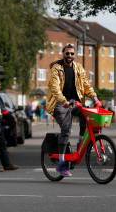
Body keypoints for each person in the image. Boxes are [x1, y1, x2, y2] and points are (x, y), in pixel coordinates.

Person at [47, 44, 101, 177]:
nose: (69, 56)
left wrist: (95, 98)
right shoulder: (56, 68)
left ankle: (80, 145)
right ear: (63, 54)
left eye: (72, 54)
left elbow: (86, 85)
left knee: (87, 116)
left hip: (75, 103)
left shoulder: (78, 68)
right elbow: (54, 87)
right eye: (67, 53)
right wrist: (64, 101)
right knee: (66, 130)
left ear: (74, 55)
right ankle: (61, 164)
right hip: (60, 104)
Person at [0, 77, 19, 171]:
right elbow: (0, 109)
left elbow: (2, 109)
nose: (0, 85)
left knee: (0, 144)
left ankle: (6, 164)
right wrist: (8, 115)